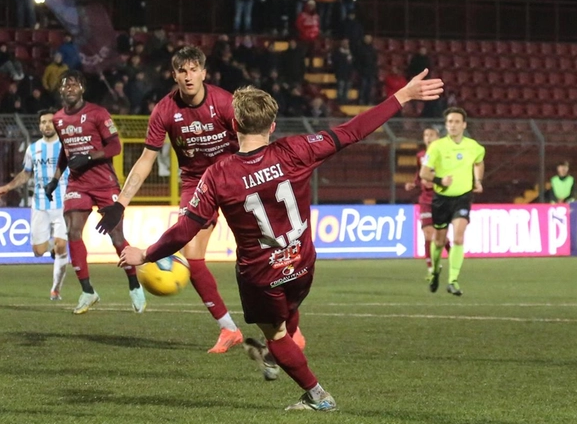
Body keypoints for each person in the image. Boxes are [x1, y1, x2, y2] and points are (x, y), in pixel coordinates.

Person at [119, 69, 444, 411]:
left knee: (275, 334)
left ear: (233, 126)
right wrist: (403, 96)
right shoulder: (296, 150)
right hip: (303, 264)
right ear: (272, 126)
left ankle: (317, 395)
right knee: (284, 319)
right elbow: (352, 131)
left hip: (262, 276)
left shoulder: (219, 174)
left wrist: (146, 254)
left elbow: (186, 229)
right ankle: (279, 349)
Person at [117, 47, 244, 353]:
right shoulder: (164, 110)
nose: (188, 77)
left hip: (233, 178)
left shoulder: (225, 102)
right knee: (194, 257)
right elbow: (147, 158)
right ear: (174, 75)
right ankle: (229, 329)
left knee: (259, 253)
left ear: (204, 72)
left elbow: (247, 144)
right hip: (197, 185)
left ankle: (289, 326)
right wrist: (121, 202)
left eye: (193, 70)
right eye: (182, 71)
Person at [43, 71, 145, 315]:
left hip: (104, 183)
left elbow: (115, 146)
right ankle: (87, 291)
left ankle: (134, 284)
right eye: (65, 85)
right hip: (78, 184)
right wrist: (55, 179)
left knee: (116, 236)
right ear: (60, 91)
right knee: (73, 230)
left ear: (82, 89)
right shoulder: (58, 119)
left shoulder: (98, 113)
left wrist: (88, 156)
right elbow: (66, 152)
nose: (69, 88)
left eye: (74, 84)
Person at [0, 110, 71, 300]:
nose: (46, 125)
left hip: (63, 203)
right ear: (39, 125)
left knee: (62, 245)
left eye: (50, 122)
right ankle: (53, 248)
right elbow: (26, 174)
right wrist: (8, 187)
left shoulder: (66, 147)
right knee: (38, 251)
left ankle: (56, 289)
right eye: (43, 122)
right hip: (39, 204)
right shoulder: (33, 149)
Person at [419, 107, 485, 296]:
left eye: (456, 122)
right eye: (450, 122)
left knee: (458, 238)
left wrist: (478, 180)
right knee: (439, 241)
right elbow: (424, 172)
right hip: (441, 199)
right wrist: (440, 181)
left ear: (464, 125)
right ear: (446, 125)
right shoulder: (437, 146)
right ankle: (435, 271)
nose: (453, 125)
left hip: (463, 197)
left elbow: (479, 161)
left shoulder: (474, 146)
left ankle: (453, 280)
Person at [404, 126, 450, 279]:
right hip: (425, 199)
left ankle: (453, 258)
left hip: (441, 197)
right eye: (426, 135)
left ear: (438, 137)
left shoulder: (445, 155)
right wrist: (414, 183)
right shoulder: (421, 156)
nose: (428, 137)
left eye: (431, 134)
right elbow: (420, 173)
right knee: (427, 233)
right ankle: (431, 269)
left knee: (439, 235)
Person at [354, 34, 378, 105]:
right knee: (362, 87)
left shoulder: (373, 50)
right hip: (363, 72)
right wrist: (360, 70)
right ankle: (361, 100)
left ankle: (368, 100)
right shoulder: (360, 49)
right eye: (366, 38)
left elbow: (374, 61)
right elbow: (358, 61)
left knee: (369, 88)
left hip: (371, 72)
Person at [330, 39, 354, 103]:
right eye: (344, 43)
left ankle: (345, 100)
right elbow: (335, 62)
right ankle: (340, 100)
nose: (346, 45)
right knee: (340, 87)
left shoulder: (351, 52)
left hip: (348, 73)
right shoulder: (337, 52)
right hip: (340, 73)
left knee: (347, 88)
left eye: (347, 43)